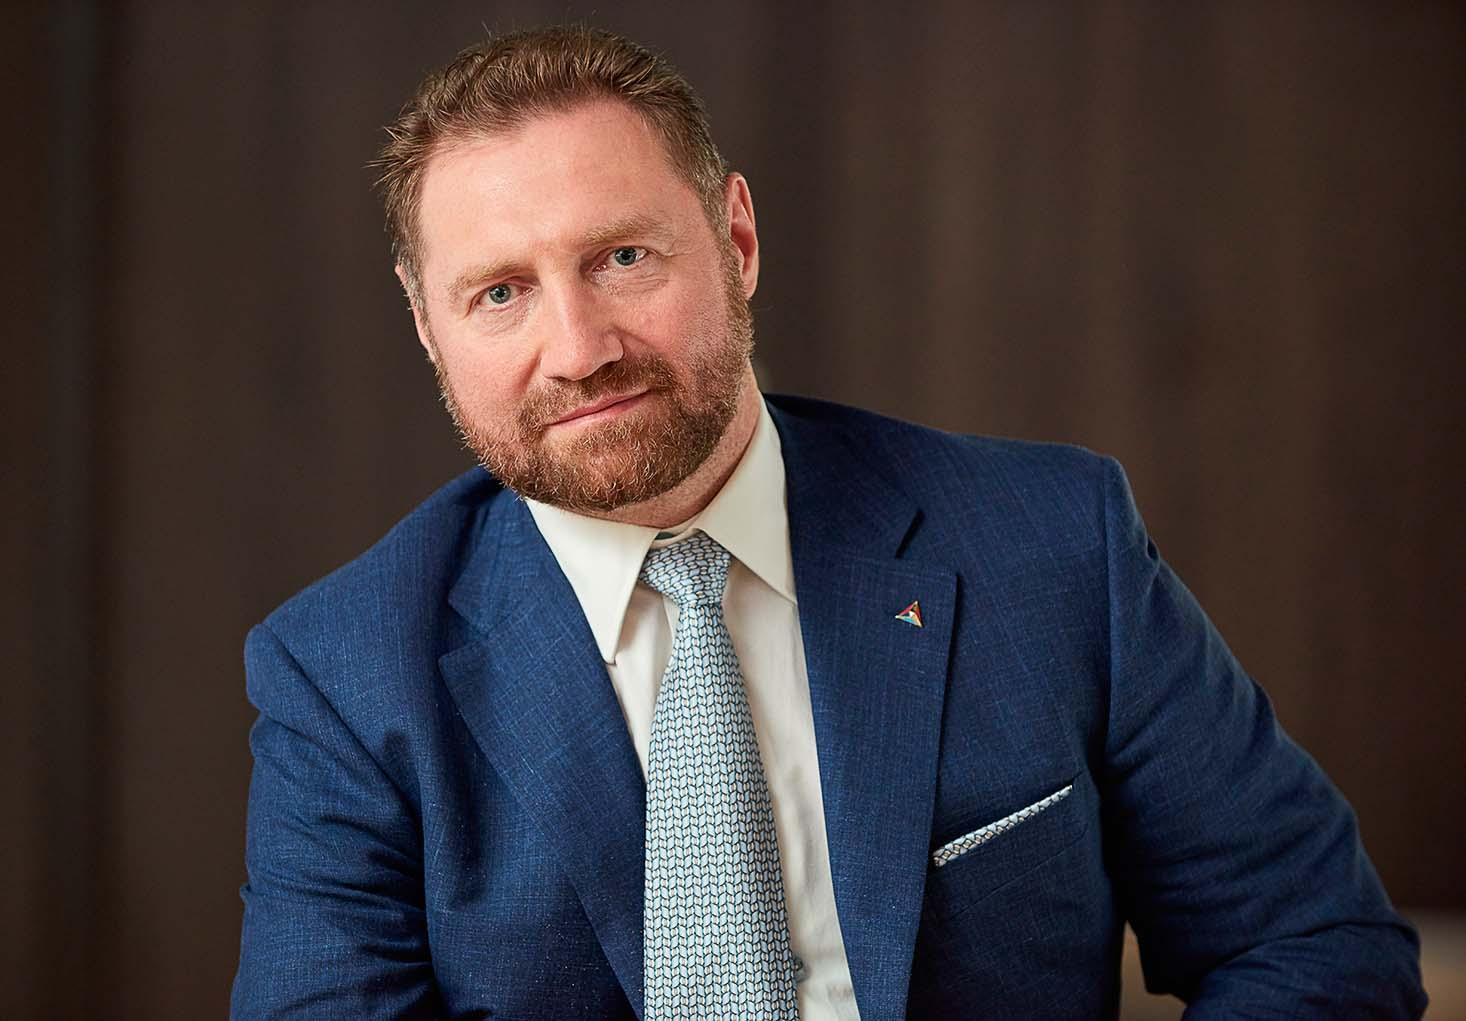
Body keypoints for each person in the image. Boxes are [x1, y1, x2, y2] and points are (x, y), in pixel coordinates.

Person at [232, 25, 1425, 1020]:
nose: (580, 349)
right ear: (429, 329)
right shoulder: (344, 675)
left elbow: (1316, 943)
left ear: (737, 240)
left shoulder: (1054, 544)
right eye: (500, 293)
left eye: (624, 256)